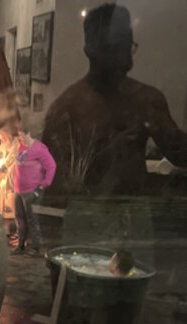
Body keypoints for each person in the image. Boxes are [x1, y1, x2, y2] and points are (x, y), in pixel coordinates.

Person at [42, 3, 187, 193]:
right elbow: (54, 185)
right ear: (91, 50)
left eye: (128, 45)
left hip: (135, 207)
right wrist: (106, 156)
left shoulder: (146, 100)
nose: (125, 55)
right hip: (85, 208)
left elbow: (179, 153)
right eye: (116, 46)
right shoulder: (67, 109)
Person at [13, 130, 56, 256]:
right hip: (18, 191)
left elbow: (52, 166)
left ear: (28, 133)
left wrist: (43, 185)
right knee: (20, 219)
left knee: (32, 219)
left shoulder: (40, 149)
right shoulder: (21, 146)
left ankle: (35, 248)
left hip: (32, 191)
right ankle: (21, 246)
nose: (19, 137)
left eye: (21, 135)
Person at [0, 127, 18, 235]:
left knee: (14, 208)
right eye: (0, 137)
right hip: (1, 182)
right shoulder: (0, 148)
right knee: (2, 211)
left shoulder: (15, 146)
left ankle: (18, 233)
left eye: (2, 137)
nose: (1, 139)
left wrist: (0, 171)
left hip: (11, 180)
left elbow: (11, 160)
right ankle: (5, 231)